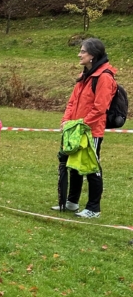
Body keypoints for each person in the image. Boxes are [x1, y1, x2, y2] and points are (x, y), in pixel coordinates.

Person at [52, 37, 118, 219]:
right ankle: (72, 202)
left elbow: (100, 108)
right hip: (75, 129)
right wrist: (66, 121)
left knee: (91, 167)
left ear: (93, 55)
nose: (79, 54)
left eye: (82, 51)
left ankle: (93, 208)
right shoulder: (84, 76)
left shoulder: (104, 77)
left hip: (91, 131)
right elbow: (72, 102)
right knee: (74, 165)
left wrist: (79, 124)